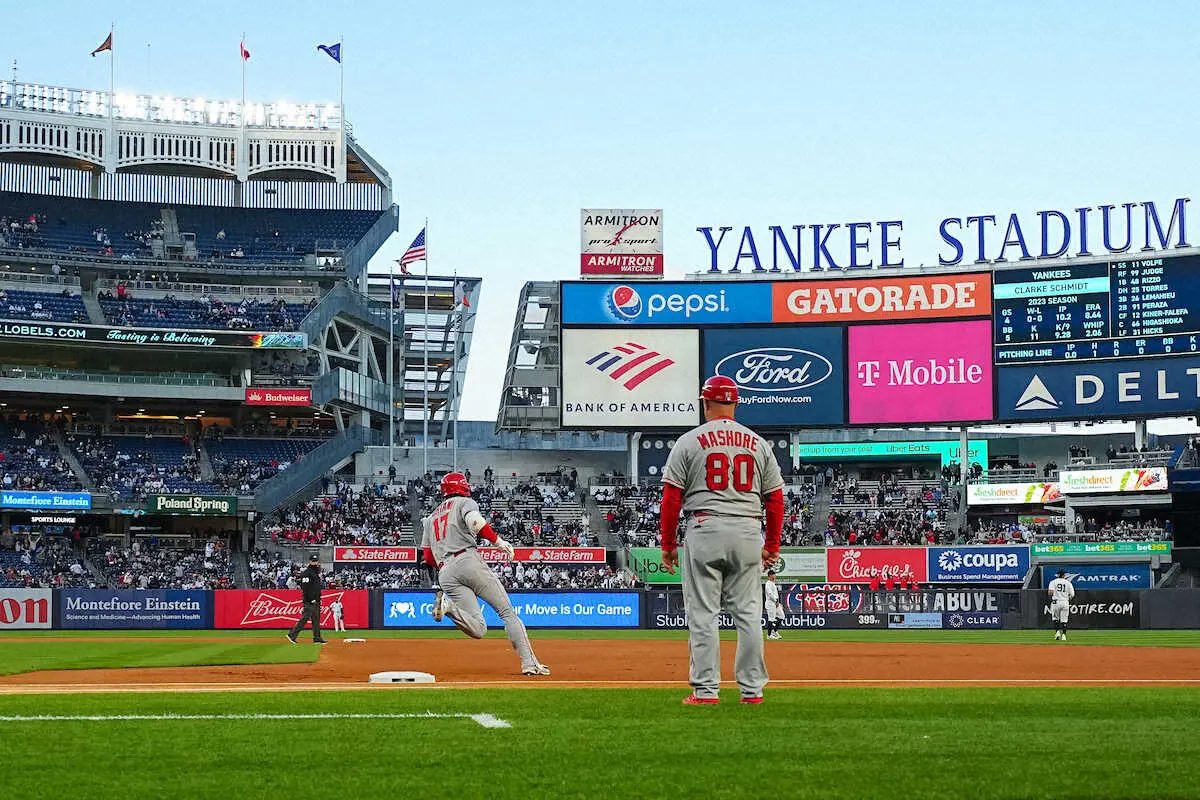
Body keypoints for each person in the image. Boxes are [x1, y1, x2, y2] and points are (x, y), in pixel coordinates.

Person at [660, 375, 785, 706]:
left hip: (705, 527)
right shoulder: (758, 443)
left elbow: (671, 498)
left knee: (703, 614)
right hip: (747, 528)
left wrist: (667, 545)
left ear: (706, 402)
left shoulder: (689, 441)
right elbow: (774, 499)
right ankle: (752, 691)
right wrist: (771, 544)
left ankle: (705, 691)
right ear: (736, 403)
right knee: (748, 613)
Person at [421, 472, 551, 676]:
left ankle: (449, 608)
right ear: (462, 487)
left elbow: (428, 557)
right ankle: (529, 663)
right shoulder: (464, 502)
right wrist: (498, 542)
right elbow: (475, 522)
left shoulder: (430, 518)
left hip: (445, 571)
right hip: (466, 559)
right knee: (506, 612)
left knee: (479, 629)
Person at [286, 555, 328, 644]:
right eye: (313, 561)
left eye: (316, 561)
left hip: (316, 600)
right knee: (304, 618)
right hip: (309, 601)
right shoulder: (307, 573)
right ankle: (292, 634)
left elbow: (315, 587)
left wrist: (317, 598)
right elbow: (305, 588)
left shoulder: (314, 572)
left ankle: (317, 638)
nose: (315, 562)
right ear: (310, 561)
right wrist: (310, 599)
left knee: (316, 620)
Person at [1047, 568, 1076, 641]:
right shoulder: (1068, 583)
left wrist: (1053, 596)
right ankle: (1064, 635)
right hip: (1065, 601)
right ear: (1063, 575)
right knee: (1064, 620)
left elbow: (1050, 592)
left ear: (1058, 575)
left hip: (1056, 602)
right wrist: (1067, 599)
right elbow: (1072, 594)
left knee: (1055, 618)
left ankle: (1057, 632)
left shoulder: (1053, 582)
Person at [764, 571, 783, 640]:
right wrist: (776, 601)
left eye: (775, 574)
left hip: (776, 603)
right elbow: (770, 594)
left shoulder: (772, 583)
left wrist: (778, 602)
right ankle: (769, 635)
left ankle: (774, 631)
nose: (775, 576)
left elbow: (775, 594)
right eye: (773, 574)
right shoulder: (768, 583)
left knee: (781, 616)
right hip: (770, 604)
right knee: (771, 618)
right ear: (770, 576)